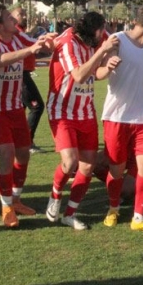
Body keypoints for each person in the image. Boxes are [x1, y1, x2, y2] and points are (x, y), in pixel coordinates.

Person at [0, 2, 54, 227]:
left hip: (14, 107)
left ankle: (17, 199)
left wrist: (52, 40)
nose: (14, 19)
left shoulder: (19, 38)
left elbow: (42, 46)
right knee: (7, 155)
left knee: (23, 154)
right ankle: (7, 206)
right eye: (9, 18)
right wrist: (30, 50)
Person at [44, 12, 120, 230]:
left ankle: (70, 214)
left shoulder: (95, 37)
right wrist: (103, 52)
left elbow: (97, 74)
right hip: (62, 109)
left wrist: (109, 64)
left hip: (85, 111)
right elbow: (79, 75)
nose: (103, 35)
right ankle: (55, 195)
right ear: (90, 30)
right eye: (100, 31)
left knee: (87, 166)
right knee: (69, 162)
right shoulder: (68, 42)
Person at [96, 5, 143, 235]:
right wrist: (107, 67)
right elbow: (98, 74)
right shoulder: (117, 39)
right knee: (116, 170)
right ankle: (113, 209)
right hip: (116, 118)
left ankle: (139, 217)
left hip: (142, 118)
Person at [11, 7, 45, 153]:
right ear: (12, 18)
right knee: (37, 106)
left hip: (22, 73)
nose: (24, 16)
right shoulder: (15, 31)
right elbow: (31, 42)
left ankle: (18, 142)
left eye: (24, 13)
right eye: (20, 14)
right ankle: (27, 143)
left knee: (21, 109)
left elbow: (28, 39)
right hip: (21, 74)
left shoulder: (18, 31)